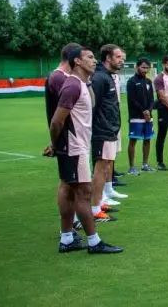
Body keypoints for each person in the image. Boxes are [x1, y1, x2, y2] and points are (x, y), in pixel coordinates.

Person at [49, 46, 123, 254]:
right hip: (74, 147)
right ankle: (93, 241)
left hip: (77, 145)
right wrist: (56, 144)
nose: (94, 61)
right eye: (89, 57)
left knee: (69, 189)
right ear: (77, 62)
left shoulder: (81, 83)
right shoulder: (72, 85)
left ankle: (67, 239)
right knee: (83, 193)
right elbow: (56, 121)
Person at [45, 43, 82, 236]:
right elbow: (60, 116)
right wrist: (56, 141)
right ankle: (67, 231)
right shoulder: (59, 77)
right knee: (67, 183)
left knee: (72, 182)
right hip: (68, 138)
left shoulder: (66, 78)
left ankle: (73, 222)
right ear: (74, 58)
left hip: (72, 138)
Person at [90, 44, 126, 222]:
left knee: (105, 168)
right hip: (102, 130)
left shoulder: (109, 76)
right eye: (118, 57)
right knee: (100, 168)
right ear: (108, 58)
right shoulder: (99, 78)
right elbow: (92, 106)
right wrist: (98, 128)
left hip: (110, 129)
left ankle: (99, 202)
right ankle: (94, 209)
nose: (122, 60)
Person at [126, 58, 155, 174]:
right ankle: (132, 167)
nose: (145, 69)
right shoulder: (131, 81)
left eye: (147, 67)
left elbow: (152, 99)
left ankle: (145, 164)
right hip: (136, 116)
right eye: (143, 67)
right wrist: (143, 110)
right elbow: (132, 100)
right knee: (133, 140)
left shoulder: (148, 81)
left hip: (148, 116)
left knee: (147, 139)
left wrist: (149, 110)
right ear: (137, 67)